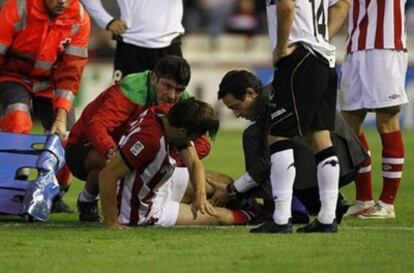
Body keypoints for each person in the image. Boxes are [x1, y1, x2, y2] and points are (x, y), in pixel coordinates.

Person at [216, 0, 350, 234]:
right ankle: (327, 218)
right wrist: (320, 40)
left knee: (278, 136)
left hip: (298, 57)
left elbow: (286, 5)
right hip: (324, 57)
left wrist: (280, 47)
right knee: (320, 138)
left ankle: (280, 218)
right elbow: (342, 4)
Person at [66, 55, 211, 222]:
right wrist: (111, 150)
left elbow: (203, 143)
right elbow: (96, 126)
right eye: (168, 86)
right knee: (115, 164)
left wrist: (163, 159)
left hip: (128, 147)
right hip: (82, 147)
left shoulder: (180, 100)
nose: (172, 95)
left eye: (179, 89)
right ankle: (88, 200)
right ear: (154, 78)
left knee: (138, 161)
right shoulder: (128, 92)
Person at [215, 69, 367, 225]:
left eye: (236, 107)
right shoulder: (275, 93)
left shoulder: (272, 102)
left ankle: (272, 208)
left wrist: (233, 190)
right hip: (346, 157)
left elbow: (269, 161)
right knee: (265, 140)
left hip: (337, 160)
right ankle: (329, 204)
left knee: (255, 137)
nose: (237, 114)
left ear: (250, 93)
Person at [99, 98, 260, 229]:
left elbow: (194, 162)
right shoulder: (150, 141)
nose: (193, 143)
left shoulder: (168, 116)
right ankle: (255, 213)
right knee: (220, 217)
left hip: (158, 180)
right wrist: (112, 222)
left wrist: (200, 196)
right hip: (139, 205)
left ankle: (245, 203)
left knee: (225, 182)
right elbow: (107, 175)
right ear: (184, 132)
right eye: (194, 138)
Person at [0, 0, 90, 212]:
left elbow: (71, 73)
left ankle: (56, 194)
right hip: (13, 76)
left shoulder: (79, 18)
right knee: (18, 118)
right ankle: (14, 186)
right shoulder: (18, 8)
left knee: (67, 135)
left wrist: (60, 117)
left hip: (52, 81)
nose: (62, 1)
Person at [339, 0, 408, 219]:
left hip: (386, 47)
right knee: (349, 128)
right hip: (355, 47)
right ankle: (363, 200)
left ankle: (387, 203)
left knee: (387, 122)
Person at [80, 0, 185, 82]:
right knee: (125, 104)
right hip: (131, 44)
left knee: (170, 105)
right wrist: (106, 20)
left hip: (169, 43)